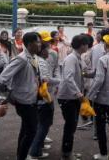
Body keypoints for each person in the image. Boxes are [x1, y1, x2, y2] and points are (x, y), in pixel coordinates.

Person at [0, 32, 42, 160]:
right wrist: (10, 96)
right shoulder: (21, 59)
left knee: (26, 129)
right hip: (24, 101)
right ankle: (22, 156)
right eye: (38, 42)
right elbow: (3, 78)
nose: (40, 44)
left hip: (31, 99)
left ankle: (21, 155)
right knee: (32, 131)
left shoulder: (32, 58)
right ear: (29, 44)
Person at [28, 31, 60, 159]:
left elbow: (56, 69)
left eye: (49, 43)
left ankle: (38, 147)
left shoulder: (52, 54)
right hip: (41, 96)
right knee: (43, 123)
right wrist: (58, 80)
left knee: (43, 123)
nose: (48, 47)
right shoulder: (37, 60)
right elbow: (45, 78)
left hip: (47, 94)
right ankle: (35, 151)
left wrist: (56, 79)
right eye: (45, 44)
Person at [57, 35, 89, 160]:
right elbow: (68, 77)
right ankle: (66, 154)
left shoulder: (78, 57)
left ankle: (67, 152)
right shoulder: (71, 59)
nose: (87, 46)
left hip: (72, 97)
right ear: (82, 45)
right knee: (70, 125)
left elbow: (84, 72)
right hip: (67, 97)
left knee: (72, 125)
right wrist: (78, 93)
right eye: (86, 44)